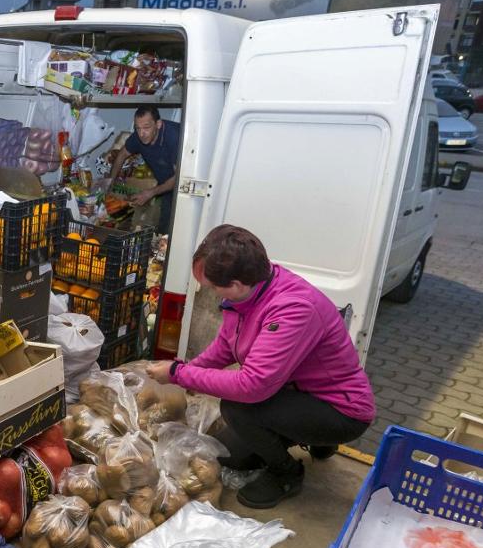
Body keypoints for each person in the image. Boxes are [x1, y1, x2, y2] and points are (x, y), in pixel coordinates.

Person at [145, 225, 375, 508]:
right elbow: (226, 347)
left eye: (214, 287)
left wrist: (178, 374)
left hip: (340, 409)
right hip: (296, 391)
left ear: (237, 284)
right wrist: (182, 371)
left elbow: (252, 386)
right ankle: (313, 440)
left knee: (237, 407)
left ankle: (287, 474)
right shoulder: (247, 295)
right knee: (230, 455)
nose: (213, 293)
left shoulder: (293, 308)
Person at [101, 106, 180, 234]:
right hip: (166, 184)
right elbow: (122, 154)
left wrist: (150, 193)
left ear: (158, 124)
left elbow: (179, 177)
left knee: (179, 230)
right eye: (138, 128)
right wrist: (111, 181)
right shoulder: (138, 136)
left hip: (184, 186)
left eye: (146, 127)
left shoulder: (174, 137)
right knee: (164, 230)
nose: (141, 134)